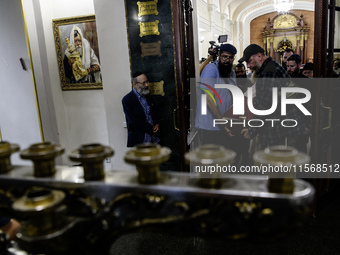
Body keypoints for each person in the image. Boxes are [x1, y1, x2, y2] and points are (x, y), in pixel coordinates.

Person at [239, 44, 306, 149]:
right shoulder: (271, 66)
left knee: (275, 162)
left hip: (281, 131)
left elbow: (265, 107)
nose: (248, 66)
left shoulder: (268, 72)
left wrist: (251, 131)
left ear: (259, 56)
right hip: (284, 127)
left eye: (249, 61)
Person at [122, 72, 160, 147]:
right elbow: (133, 121)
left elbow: (155, 112)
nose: (147, 85)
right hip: (140, 141)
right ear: (134, 84)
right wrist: (150, 128)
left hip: (154, 139)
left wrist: (157, 123)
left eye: (147, 82)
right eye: (143, 83)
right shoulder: (127, 100)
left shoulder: (147, 95)